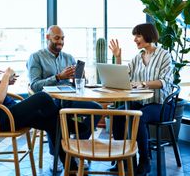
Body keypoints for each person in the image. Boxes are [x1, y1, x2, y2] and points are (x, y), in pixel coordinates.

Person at [0, 26, 79, 173]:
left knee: (52, 123)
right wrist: (5, 77)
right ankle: (68, 124)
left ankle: (71, 167)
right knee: (42, 97)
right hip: (0, 119)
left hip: (9, 110)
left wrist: (2, 83)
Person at [26, 25, 102, 171]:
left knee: (96, 109)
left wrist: (80, 77)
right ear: (47, 37)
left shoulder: (68, 57)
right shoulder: (36, 57)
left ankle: (77, 149)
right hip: (48, 102)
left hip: (70, 99)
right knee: (54, 115)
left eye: (62, 38)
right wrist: (58, 77)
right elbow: (35, 85)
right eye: (56, 38)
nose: (60, 41)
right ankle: (56, 155)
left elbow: (80, 85)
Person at [109, 23, 174, 175]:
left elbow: (165, 81)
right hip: (142, 103)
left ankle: (145, 161)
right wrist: (118, 57)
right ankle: (123, 160)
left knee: (140, 117)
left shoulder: (164, 55)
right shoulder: (137, 58)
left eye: (138, 36)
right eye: (135, 36)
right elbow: (124, 77)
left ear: (148, 35)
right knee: (118, 115)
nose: (135, 39)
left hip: (161, 105)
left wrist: (143, 83)